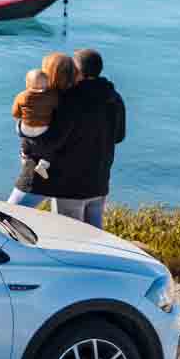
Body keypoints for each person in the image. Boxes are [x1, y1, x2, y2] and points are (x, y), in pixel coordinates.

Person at [12, 48, 126, 228]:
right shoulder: (115, 98)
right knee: (96, 238)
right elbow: (119, 136)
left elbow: (53, 140)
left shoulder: (71, 100)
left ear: (78, 71)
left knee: (69, 236)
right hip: (99, 179)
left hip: (71, 184)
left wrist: (23, 132)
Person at [7, 52, 76, 209]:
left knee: (9, 214)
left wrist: (26, 152)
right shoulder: (75, 99)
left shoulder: (54, 99)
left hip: (39, 175)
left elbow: (49, 140)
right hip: (73, 175)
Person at [10, 67, 60, 181]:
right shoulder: (51, 96)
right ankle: (43, 165)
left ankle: (25, 155)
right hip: (43, 130)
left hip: (24, 129)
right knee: (50, 148)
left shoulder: (21, 96)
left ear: (27, 83)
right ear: (47, 84)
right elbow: (56, 110)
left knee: (24, 138)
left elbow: (15, 113)